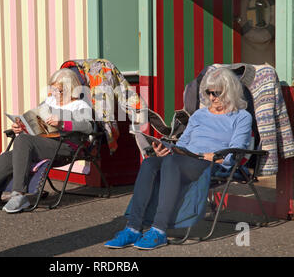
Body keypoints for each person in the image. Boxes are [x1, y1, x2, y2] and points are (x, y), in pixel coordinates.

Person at [105, 67, 252, 250]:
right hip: (183, 159)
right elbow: (182, 143)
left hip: (210, 164)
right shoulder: (199, 114)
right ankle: (133, 228)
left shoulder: (241, 117)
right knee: (151, 163)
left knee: (172, 162)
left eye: (217, 93)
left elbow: (237, 151)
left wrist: (213, 157)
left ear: (230, 91)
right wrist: (165, 149)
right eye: (209, 92)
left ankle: (158, 230)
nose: (213, 97)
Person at [0, 68, 93, 213]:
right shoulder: (49, 102)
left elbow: (89, 127)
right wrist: (21, 126)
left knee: (23, 141)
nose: (55, 94)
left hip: (66, 146)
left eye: (59, 91)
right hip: (43, 143)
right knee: (8, 157)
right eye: (52, 89)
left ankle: (19, 194)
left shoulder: (79, 105)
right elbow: (34, 119)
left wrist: (62, 123)